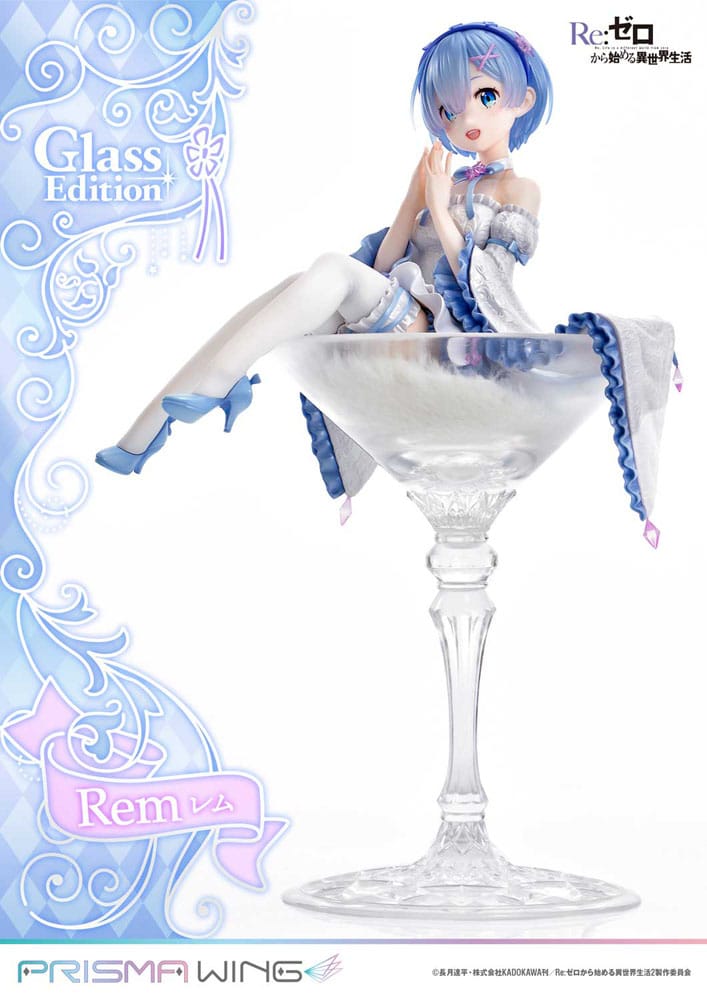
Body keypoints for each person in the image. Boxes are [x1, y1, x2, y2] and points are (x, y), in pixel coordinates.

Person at [96, 23, 674, 539]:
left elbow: (488, 281)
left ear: (522, 99)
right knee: (294, 286)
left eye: (484, 96)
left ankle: (222, 384)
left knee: (329, 268)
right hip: (404, 311)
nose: (465, 119)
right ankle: (142, 435)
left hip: (452, 335)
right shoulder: (445, 180)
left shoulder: (520, 191)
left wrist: (439, 208)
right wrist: (411, 202)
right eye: (448, 109)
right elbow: (380, 269)